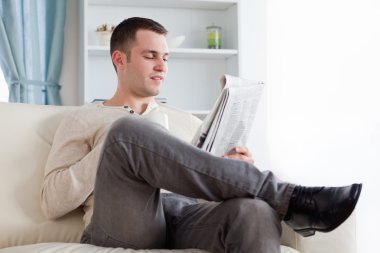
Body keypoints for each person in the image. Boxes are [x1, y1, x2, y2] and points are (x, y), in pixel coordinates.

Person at [41, 17, 362, 253]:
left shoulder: (183, 120)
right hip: (125, 223)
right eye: (150, 56)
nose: (162, 66)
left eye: (165, 58)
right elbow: (52, 201)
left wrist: (237, 167)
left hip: (185, 218)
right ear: (119, 60)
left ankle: (269, 194)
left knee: (255, 211)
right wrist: (118, 144)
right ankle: (288, 197)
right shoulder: (84, 118)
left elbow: (203, 186)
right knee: (128, 132)